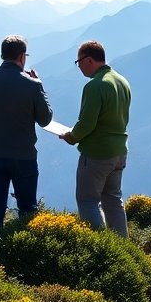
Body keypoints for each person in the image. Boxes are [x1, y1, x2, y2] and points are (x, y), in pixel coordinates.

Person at [0, 35, 53, 239]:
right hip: (24, 156)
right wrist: (39, 84)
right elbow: (45, 119)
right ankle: (27, 249)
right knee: (28, 207)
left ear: (2, 54)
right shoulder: (32, 85)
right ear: (22, 57)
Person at [61, 40, 131, 236]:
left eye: (78, 62)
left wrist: (71, 136)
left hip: (97, 153)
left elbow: (86, 124)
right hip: (119, 151)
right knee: (113, 200)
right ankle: (122, 247)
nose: (79, 67)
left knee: (87, 200)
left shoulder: (95, 86)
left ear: (89, 60)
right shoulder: (121, 81)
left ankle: (99, 246)